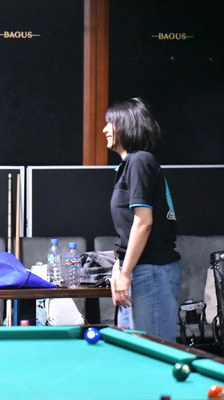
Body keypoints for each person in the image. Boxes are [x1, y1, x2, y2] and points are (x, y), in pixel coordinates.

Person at [104, 97, 181, 341]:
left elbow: (144, 222)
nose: (104, 129)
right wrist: (119, 269)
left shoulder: (139, 161)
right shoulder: (129, 165)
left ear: (125, 126)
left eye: (110, 123)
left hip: (152, 272)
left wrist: (125, 272)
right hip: (137, 270)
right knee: (133, 351)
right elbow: (127, 230)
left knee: (153, 352)